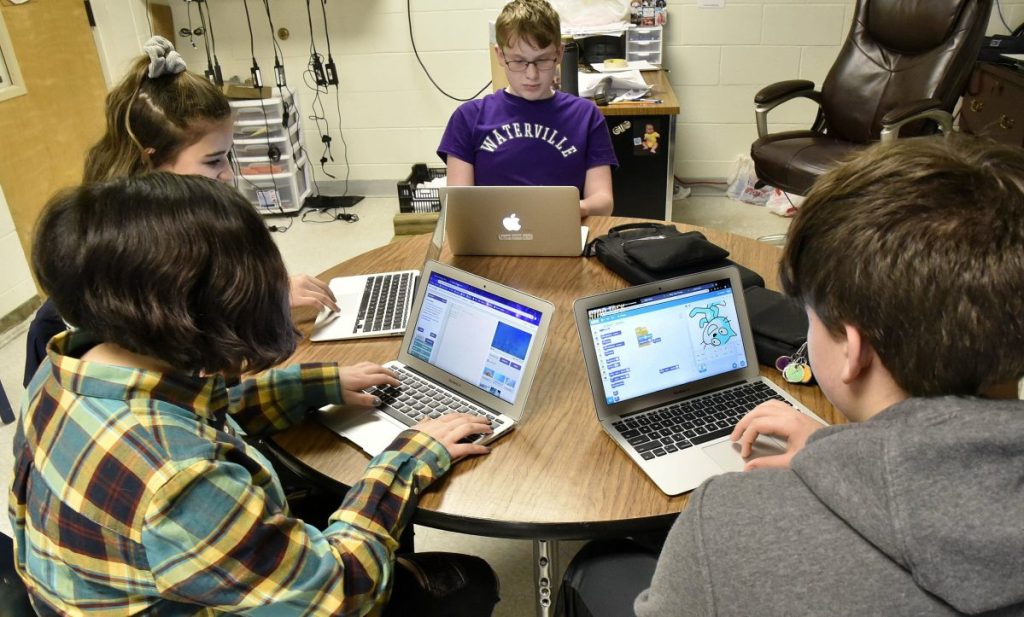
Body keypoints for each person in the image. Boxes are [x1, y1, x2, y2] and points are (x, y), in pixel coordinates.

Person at [560, 135, 1024, 616]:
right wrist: (837, 456)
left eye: (810, 316)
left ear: (854, 350)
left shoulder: (729, 522)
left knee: (600, 565)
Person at [10, 172, 501, 616]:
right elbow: (338, 593)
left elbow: (189, 409)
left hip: (115, 587)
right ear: (196, 310)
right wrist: (406, 459)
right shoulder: (179, 480)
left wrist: (310, 385)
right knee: (468, 582)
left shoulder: (68, 366)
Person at [23, 36, 336, 386]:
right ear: (152, 161)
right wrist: (258, 309)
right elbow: (183, 359)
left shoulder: (162, 232)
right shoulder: (124, 261)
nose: (228, 174)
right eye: (213, 160)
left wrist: (256, 295)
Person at [437, 0, 618, 217]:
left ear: (559, 54)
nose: (531, 75)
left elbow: (603, 201)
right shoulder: (468, 118)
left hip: (563, 228)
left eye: (542, 60)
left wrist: (574, 209)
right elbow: (459, 205)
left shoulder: (586, 116)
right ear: (500, 56)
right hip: (493, 238)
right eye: (519, 61)